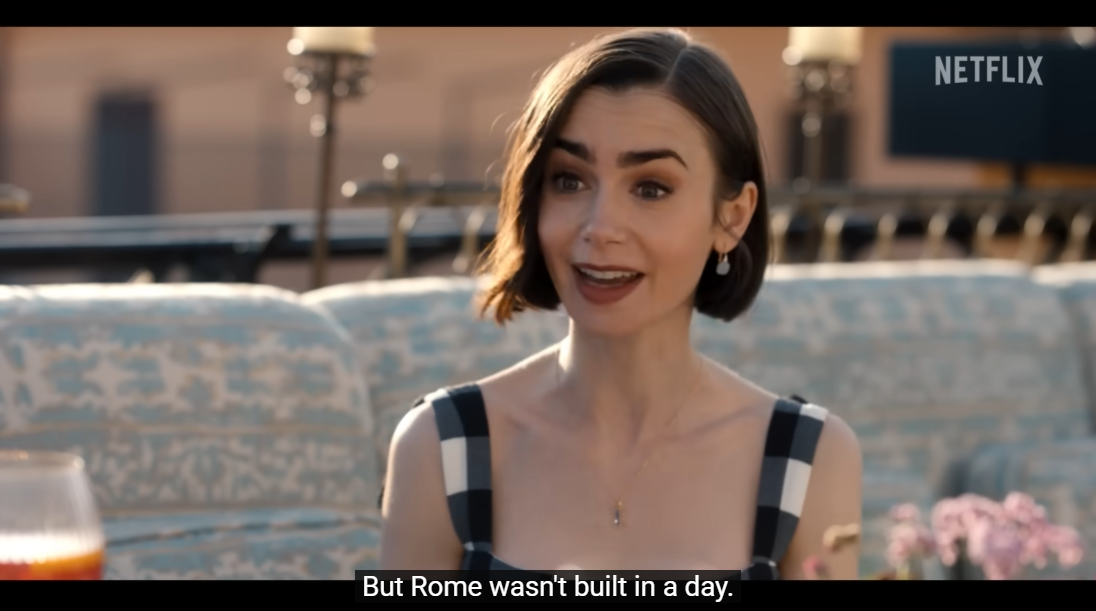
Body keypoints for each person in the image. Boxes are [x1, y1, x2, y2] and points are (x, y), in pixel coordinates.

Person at [379, 27, 862, 579]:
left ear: (733, 216)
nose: (599, 227)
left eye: (651, 188)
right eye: (569, 180)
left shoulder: (809, 457)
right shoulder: (441, 447)